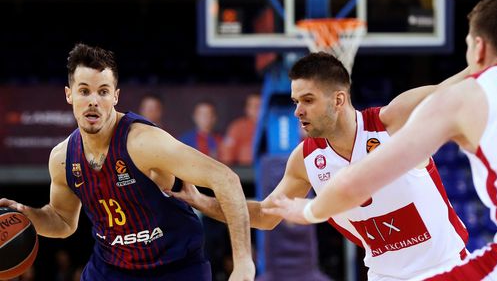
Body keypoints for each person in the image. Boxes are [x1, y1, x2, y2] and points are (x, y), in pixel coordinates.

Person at [266, 0, 497, 280]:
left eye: (469, 43)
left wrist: (309, 211)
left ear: (479, 49)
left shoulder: (457, 98)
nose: (298, 110)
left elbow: (356, 183)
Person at [170, 57, 473, 280]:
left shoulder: (393, 121)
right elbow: (264, 216)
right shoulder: (305, 160)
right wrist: (202, 201)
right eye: (295, 101)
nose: (297, 110)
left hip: (450, 270)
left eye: (308, 100)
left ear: (338, 99)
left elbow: (466, 81)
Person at [0, 43, 255, 281]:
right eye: (84, 91)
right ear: (69, 95)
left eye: (103, 92)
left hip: (175, 267)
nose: (93, 101)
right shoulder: (62, 158)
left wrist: (243, 261)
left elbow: (225, 178)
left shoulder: (143, 143)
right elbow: (63, 221)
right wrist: (28, 216)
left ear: (116, 97)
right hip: (110, 269)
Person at [219, 93, 261, 166]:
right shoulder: (238, 127)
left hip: (267, 170)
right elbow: (227, 151)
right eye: (253, 106)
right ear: (247, 109)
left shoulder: (272, 126)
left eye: (260, 106)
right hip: (244, 170)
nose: (257, 109)